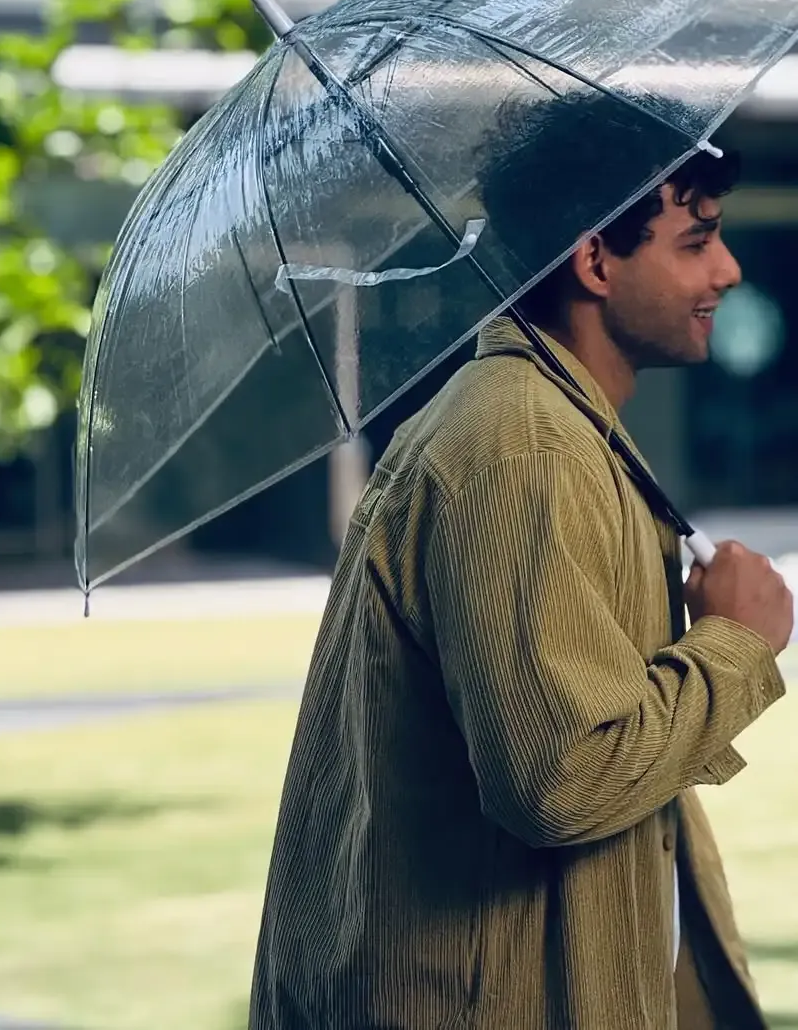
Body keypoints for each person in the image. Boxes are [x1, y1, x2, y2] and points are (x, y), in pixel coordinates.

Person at [248, 94, 793, 1030]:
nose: (730, 269)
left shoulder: (567, 428)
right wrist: (736, 644)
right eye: (695, 240)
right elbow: (563, 780)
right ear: (594, 260)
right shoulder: (521, 446)